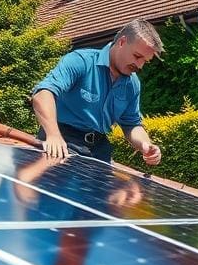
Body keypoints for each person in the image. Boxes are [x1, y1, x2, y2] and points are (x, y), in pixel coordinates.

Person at [31, 18, 164, 165]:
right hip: (62, 141)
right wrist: (53, 135)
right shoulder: (81, 61)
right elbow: (43, 94)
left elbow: (132, 125)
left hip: (99, 151)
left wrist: (145, 144)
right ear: (122, 42)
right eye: (137, 56)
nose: (140, 65)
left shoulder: (132, 85)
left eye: (145, 61)